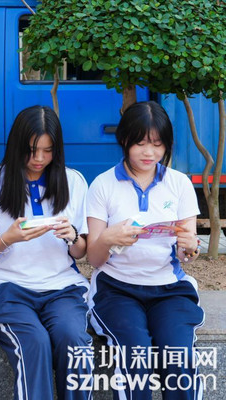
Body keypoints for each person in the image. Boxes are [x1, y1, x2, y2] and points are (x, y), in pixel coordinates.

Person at [86, 101, 204, 399]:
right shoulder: (102, 185)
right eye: (140, 143)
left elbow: (186, 255)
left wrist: (190, 248)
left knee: (178, 354)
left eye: (157, 144)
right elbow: (94, 259)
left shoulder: (179, 184)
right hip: (116, 288)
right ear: (124, 140)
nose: (149, 152)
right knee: (134, 353)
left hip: (169, 289)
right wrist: (108, 238)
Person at [0, 105, 92, 400]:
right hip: (8, 287)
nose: (39, 159)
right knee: (34, 342)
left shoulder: (73, 181)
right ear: (16, 146)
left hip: (62, 287)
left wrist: (72, 236)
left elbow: (81, 252)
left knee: (73, 339)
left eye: (48, 151)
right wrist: (8, 238)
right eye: (31, 150)